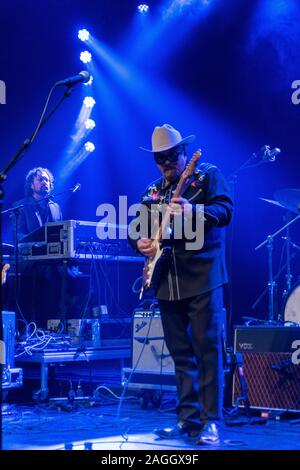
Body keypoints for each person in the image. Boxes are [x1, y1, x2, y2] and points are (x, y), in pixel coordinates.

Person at [128, 124, 233, 445]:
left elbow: (226, 209)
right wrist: (140, 242)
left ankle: (211, 421)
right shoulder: (151, 193)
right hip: (166, 282)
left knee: (208, 350)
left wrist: (194, 210)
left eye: (171, 156)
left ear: (184, 153)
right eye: (160, 159)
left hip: (203, 277)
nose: (166, 163)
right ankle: (187, 419)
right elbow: (135, 228)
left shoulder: (206, 176)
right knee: (180, 354)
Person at [14, 167, 62, 241]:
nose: (44, 182)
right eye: (40, 179)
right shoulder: (21, 206)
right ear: (31, 185)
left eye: (46, 180)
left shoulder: (56, 207)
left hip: (54, 251)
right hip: (31, 250)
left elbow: (61, 232)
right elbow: (19, 234)